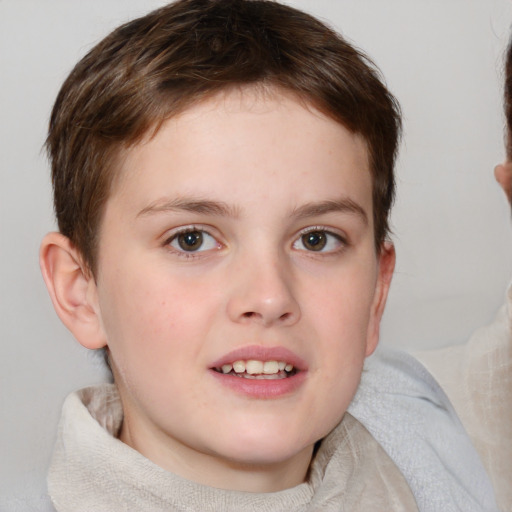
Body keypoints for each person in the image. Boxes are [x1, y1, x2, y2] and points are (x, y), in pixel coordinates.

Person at [38, 0, 499, 510]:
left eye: (316, 239)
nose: (269, 296)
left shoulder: (435, 447)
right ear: (80, 291)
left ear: (376, 293)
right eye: (191, 239)